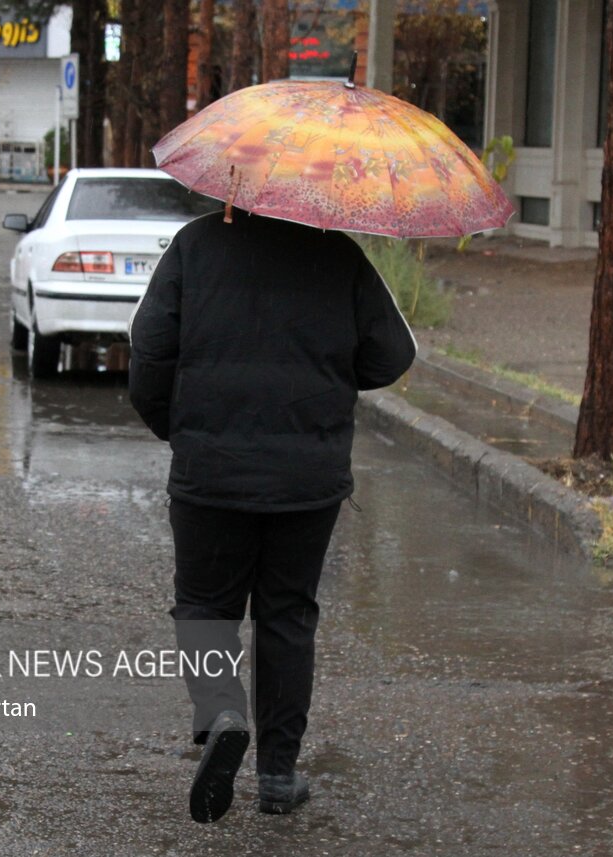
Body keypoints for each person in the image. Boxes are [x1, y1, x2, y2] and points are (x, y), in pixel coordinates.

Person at [129, 208, 417, 823]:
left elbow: (149, 350)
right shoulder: (339, 254)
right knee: (288, 615)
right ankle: (279, 776)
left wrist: (176, 428)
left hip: (209, 471)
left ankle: (222, 713)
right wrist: (330, 382)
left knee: (205, 604)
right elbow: (393, 354)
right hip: (307, 479)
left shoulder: (194, 246)